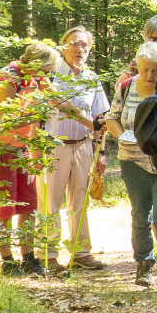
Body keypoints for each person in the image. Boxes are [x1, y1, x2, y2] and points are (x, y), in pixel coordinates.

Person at [0, 42, 62, 275]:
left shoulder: (34, 79)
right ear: (35, 64)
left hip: (21, 149)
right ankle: (8, 261)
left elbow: (59, 105)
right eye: (46, 70)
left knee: (28, 205)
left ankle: (29, 258)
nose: (47, 76)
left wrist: (33, 153)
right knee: (4, 207)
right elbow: (6, 121)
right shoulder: (8, 77)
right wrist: (36, 115)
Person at [108, 41, 157, 289]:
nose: (151, 76)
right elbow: (112, 119)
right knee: (141, 215)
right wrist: (122, 136)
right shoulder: (126, 87)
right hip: (132, 161)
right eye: (146, 69)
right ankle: (145, 265)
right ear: (137, 66)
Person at [42, 25, 110, 274]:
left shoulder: (92, 79)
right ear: (63, 46)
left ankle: (81, 252)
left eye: (85, 45)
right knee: (51, 202)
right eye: (74, 43)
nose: (79, 49)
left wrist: (100, 151)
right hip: (54, 144)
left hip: (83, 146)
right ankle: (47, 255)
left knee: (79, 201)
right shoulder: (51, 76)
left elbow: (100, 118)